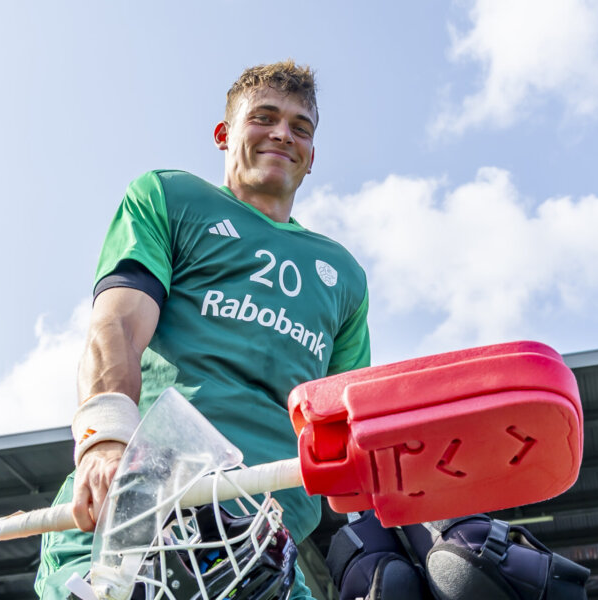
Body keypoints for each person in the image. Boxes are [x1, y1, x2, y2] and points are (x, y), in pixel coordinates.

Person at [34, 59, 371, 599]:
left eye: (300, 127)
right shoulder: (171, 198)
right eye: (264, 118)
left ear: (312, 157)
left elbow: (345, 430)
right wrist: (104, 439)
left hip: (267, 551)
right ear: (224, 135)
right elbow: (118, 322)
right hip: (141, 510)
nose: (282, 134)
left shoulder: (344, 276)